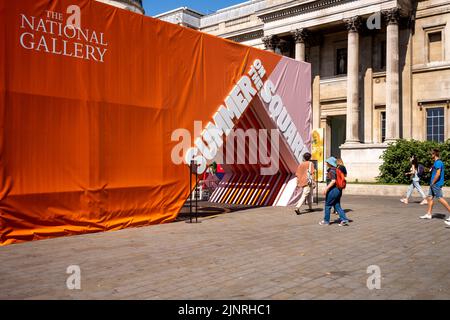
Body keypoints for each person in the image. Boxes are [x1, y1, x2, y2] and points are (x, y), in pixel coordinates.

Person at [419, 149, 450, 225]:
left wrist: (433, 182)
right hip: (433, 184)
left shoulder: (438, 162)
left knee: (440, 198)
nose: (430, 156)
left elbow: (438, 174)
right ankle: (429, 214)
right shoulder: (436, 163)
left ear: (434, 154)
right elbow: (433, 171)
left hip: (435, 183)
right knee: (430, 198)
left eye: (431, 154)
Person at [319, 157, 349, 226]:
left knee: (327, 205)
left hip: (333, 190)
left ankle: (326, 221)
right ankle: (344, 219)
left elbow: (333, 181)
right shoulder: (336, 169)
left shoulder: (332, 171)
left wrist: (326, 188)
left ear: (330, 163)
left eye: (327, 162)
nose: (326, 163)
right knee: (337, 205)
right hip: (338, 190)